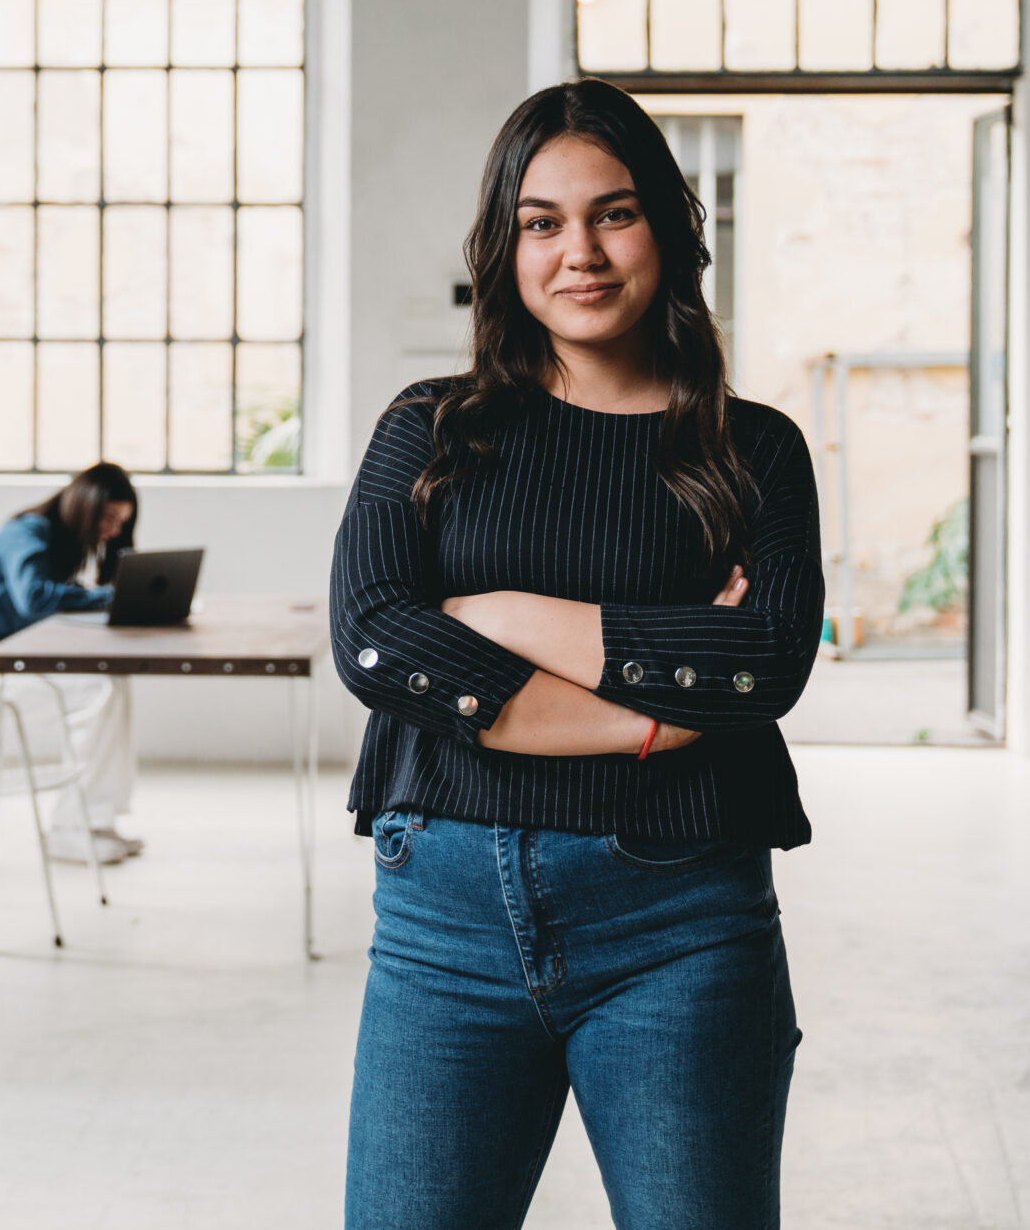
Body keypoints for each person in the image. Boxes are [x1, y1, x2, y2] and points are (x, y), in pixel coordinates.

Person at [332, 79, 824, 1230]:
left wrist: (497, 611)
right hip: (441, 922)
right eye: (542, 222)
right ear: (506, 248)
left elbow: (762, 658)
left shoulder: (755, 451)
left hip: (681, 925)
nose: (579, 253)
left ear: (668, 226)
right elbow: (371, 640)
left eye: (613, 213)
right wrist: (648, 717)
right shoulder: (430, 426)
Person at [0, 464, 146, 865]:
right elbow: (33, 598)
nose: (115, 531)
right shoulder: (26, 531)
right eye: (109, 518)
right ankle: (69, 829)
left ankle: (95, 822)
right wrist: (108, 597)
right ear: (85, 506)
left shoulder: (57, 544)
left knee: (113, 680)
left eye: (122, 522)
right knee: (100, 689)